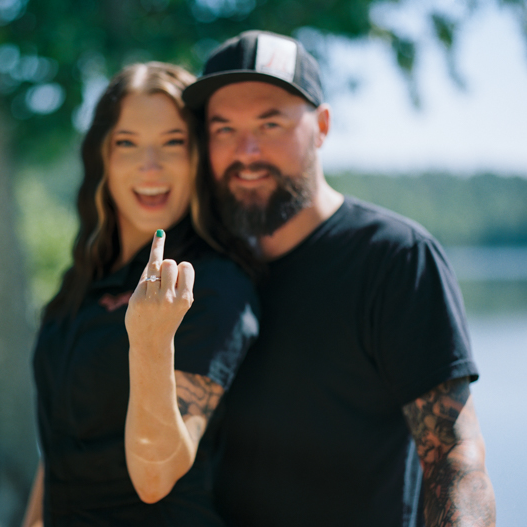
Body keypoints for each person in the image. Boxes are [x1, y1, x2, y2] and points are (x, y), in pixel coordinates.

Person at [182, 30, 496, 527]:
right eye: (223, 128)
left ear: (322, 126)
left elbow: (454, 456)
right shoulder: (199, 269)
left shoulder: (395, 259)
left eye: (270, 123)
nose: (246, 151)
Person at [21, 62, 259, 527]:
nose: (149, 166)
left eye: (173, 142)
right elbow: (61, 443)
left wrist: (151, 343)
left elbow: (156, 478)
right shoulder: (85, 279)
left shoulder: (213, 283)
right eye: (126, 143)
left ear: (198, 158)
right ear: (102, 158)